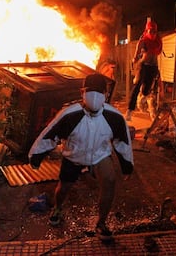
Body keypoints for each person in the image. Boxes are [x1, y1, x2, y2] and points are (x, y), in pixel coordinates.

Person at [28, 73, 134, 241]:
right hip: (73, 156)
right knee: (63, 187)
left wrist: (127, 165)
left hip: (100, 155)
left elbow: (123, 142)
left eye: (99, 92)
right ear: (82, 93)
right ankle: (58, 207)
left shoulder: (114, 117)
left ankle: (101, 223)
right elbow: (50, 136)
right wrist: (36, 156)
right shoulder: (70, 115)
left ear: (106, 95)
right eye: (90, 91)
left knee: (109, 180)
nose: (95, 96)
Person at [126, 20, 163, 121]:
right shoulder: (143, 41)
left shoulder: (158, 39)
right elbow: (138, 50)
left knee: (147, 91)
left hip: (153, 67)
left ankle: (142, 98)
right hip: (143, 66)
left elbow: (173, 31)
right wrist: (135, 59)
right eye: (150, 31)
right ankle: (129, 111)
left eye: (154, 32)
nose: (152, 34)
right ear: (147, 31)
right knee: (136, 87)